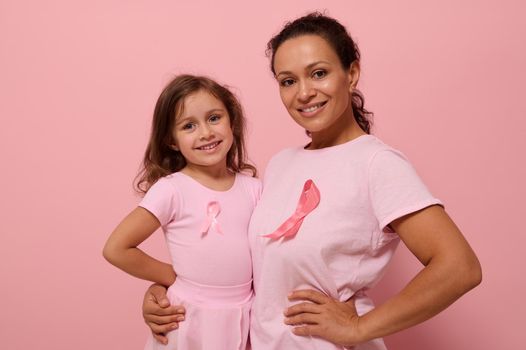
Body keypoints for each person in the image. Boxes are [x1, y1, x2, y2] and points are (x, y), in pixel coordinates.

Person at [141, 13, 482, 349]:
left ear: (352, 73)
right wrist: (169, 293)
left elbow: (459, 268)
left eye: (318, 73)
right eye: (288, 81)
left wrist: (359, 327)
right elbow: (254, 269)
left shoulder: (376, 164)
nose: (303, 93)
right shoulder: (281, 164)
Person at [103, 74, 261, 350]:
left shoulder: (254, 189)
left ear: (232, 122)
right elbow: (116, 248)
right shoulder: (172, 190)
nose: (206, 133)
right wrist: (171, 277)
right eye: (189, 125)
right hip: (189, 319)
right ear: (172, 141)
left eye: (214, 118)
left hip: (245, 318)